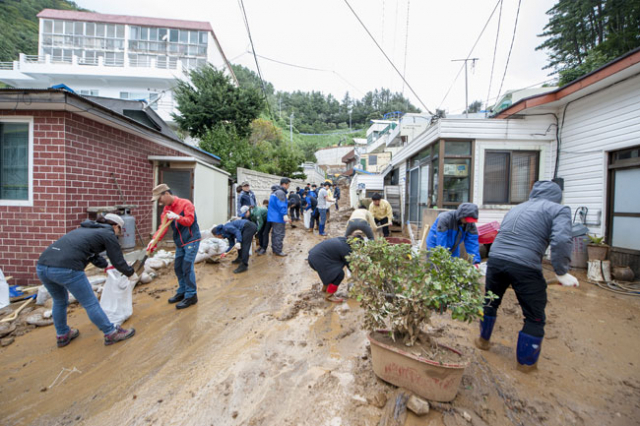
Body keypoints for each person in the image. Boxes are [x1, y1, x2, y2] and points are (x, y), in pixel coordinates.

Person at [476, 181, 578, 371]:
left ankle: (483, 340)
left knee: (490, 301)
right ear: (557, 195)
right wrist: (561, 271)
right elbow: (562, 240)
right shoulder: (559, 209)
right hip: (525, 265)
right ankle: (526, 365)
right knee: (534, 317)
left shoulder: (517, 208)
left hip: (496, 260)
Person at [36, 214, 137, 347]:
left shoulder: (86, 229)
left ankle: (62, 334)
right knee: (90, 303)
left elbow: (91, 255)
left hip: (42, 267)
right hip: (67, 268)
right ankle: (111, 333)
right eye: (120, 229)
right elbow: (117, 259)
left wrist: (106, 266)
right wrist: (130, 273)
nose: (119, 233)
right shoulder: (108, 233)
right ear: (115, 226)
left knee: (59, 301)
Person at [148, 184, 201, 309]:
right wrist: (153, 241)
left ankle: (191, 295)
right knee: (178, 267)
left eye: (160, 199)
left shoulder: (185, 204)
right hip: (180, 242)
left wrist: (177, 217)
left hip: (191, 240)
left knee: (187, 266)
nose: (159, 202)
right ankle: (182, 291)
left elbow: (190, 221)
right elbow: (163, 228)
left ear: (166, 194)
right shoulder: (166, 210)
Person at [308, 236, 361, 303]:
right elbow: (351, 267)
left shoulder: (343, 240)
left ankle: (325, 289)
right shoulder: (346, 249)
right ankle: (329, 296)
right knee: (339, 274)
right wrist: (360, 279)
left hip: (313, 257)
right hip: (318, 260)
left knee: (333, 271)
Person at [266, 177, 292, 256]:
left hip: (273, 216)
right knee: (279, 234)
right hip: (278, 217)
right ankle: (278, 250)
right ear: (284, 184)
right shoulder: (281, 193)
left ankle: (275, 248)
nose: (288, 186)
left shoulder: (274, 192)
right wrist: (285, 215)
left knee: (275, 233)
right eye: (288, 185)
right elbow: (282, 205)